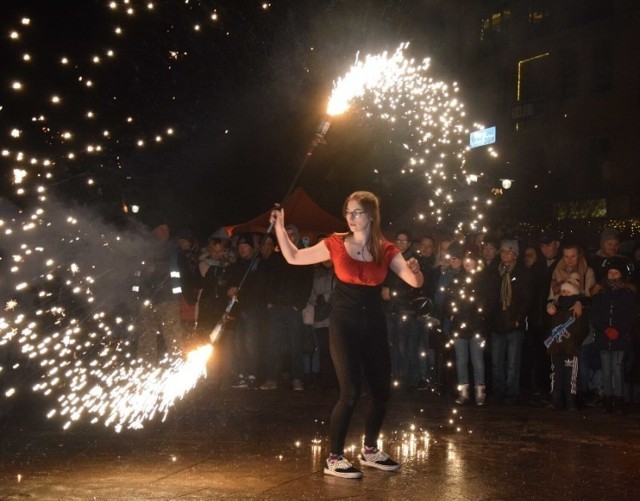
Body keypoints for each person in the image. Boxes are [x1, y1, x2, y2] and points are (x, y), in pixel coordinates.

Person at [269, 191, 423, 479]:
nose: (351, 218)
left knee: (381, 392)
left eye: (357, 213)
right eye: (348, 212)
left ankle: (370, 450)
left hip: (375, 325)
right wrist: (279, 226)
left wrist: (416, 270)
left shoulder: (386, 249)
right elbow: (293, 256)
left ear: (371, 216)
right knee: (350, 392)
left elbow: (414, 281)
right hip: (344, 323)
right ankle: (334, 457)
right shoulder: (335, 243)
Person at [484, 239, 533, 403]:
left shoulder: (523, 273)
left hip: (513, 323)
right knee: (497, 361)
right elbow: (489, 297)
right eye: (503, 251)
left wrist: (518, 319)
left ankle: (512, 392)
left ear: (515, 254)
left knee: (513, 362)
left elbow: (526, 299)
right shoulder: (494, 272)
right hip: (497, 323)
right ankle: (498, 391)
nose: (505, 254)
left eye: (509, 251)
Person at [590, 257, 636, 413]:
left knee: (617, 367)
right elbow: (595, 315)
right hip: (604, 337)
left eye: (616, 273)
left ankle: (619, 397)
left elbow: (630, 316)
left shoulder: (628, 294)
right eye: (611, 273)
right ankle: (607, 397)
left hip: (620, 338)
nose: (613, 275)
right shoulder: (600, 294)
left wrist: (619, 329)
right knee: (606, 368)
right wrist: (604, 329)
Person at [382, 230, 423, 390]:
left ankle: (404, 378)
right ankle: (395, 377)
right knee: (392, 344)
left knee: (402, 345)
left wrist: (391, 293)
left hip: (405, 308)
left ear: (409, 244)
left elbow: (414, 286)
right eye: (398, 240)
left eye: (404, 241)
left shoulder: (412, 261)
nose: (400, 243)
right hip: (390, 308)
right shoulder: (390, 258)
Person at [446, 248, 487, 405]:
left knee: (477, 360)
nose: (468, 263)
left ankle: (480, 393)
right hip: (459, 326)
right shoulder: (456, 279)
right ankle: (464, 393)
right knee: (461, 360)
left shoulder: (482, 280)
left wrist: (482, 315)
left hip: (477, 326)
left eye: (471, 260)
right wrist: (451, 314)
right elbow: (448, 300)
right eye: (465, 260)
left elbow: (487, 301)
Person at [545, 273, 590, 410]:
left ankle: (571, 400)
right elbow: (550, 326)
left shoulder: (578, 308)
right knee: (556, 374)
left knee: (571, 375)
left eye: (568, 291)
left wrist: (574, 339)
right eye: (563, 291)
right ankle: (555, 399)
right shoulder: (555, 308)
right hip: (556, 347)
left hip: (571, 347)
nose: (565, 294)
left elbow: (583, 328)